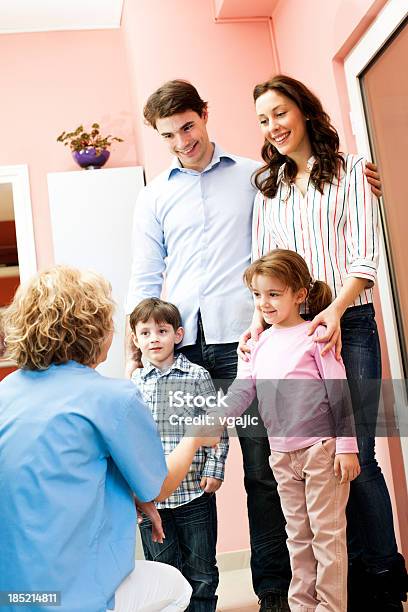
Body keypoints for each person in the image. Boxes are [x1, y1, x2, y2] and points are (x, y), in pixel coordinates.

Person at [124, 79, 382, 612]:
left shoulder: (254, 176)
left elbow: (301, 235)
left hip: (265, 340)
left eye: (188, 127)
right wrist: (137, 340)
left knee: (273, 470)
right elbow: (146, 273)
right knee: (195, 469)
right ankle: (198, 593)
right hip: (189, 349)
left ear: (205, 115)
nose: (182, 141)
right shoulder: (156, 196)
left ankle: (277, 592)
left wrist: (366, 178)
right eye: (169, 135)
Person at [240, 74, 407, 611]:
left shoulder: (353, 171)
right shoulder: (269, 187)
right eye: (264, 119)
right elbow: (265, 265)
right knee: (311, 466)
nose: (274, 127)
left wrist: (334, 310)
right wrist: (259, 323)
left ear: (304, 110)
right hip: (292, 335)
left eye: (280, 113)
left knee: (356, 456)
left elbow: (365, 253)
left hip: (348, 322)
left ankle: (382, 582)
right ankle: (341, 588)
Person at [0, 266, 220, 612]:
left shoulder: (6, 390)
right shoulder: (113, 397)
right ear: (92, 329)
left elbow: (56, 469)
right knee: (176, 587)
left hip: (11, 595)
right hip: (70, 599)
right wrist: (193, 437)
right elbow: (159, 485)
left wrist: (131, 494)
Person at [218, 248, 360, 611]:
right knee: (297, 537)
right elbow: (242, 389)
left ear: (299, 294)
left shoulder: (316, 336)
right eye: (257, 295)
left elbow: (339, 393)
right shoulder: (257, 343)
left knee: (326, 537)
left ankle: (330, 607)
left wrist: (346, 447)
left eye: (273, 294)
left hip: (321, 451)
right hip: (281, 454)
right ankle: (301, 606)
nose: (263, 303)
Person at [129, 297, 229, 612]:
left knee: (201, 571)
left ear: (179, 334)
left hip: (193, 493)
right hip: (151, 498)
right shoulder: (133, 384)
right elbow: (128, 441)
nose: (154, 338)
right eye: (145, 333)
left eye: (162, 330)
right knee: (162, 574)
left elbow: (216, 424)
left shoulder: (196, 376)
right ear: (135, 339)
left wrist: (215, 467)